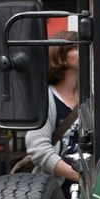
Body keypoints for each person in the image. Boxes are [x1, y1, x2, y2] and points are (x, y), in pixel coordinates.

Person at [24, 30, 80, 185]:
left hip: (91, 192)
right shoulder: (44, 98)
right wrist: (80, 178)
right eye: (76, 47)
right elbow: (39, 148)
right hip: (54, 189)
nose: (86, 51)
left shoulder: (93, 97)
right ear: (60, 58)